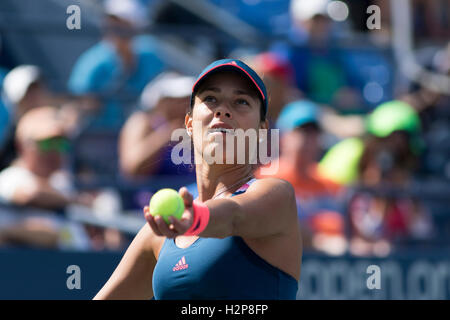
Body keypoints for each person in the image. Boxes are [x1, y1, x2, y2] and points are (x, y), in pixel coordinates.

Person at [95, 59, 302, 300]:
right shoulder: (158, 234)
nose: (223, 110)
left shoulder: (277, 194)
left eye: (241, 102)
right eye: (211, 99)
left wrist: (197, 219)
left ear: (262, 130)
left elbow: (233, 215)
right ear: (189, 124)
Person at [256, 99, 345, 255]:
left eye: (313, 133)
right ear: (284, 138)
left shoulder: (329, 183)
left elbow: (340, 226)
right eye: (301, 131)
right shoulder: (265, 179)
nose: (307, 140)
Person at [67, 0, 165, 129]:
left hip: (139, 134)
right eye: (112, 22)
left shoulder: (151, 55)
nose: (115, 28)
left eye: (122, 23)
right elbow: (76, 106)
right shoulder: (92, 63)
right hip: (99, 137)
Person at [119, 71, 196, 178]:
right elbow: (132, 170)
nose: (185, 102)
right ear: (161, 102)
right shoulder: (142, 122)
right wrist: (166, 136)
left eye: (187, 98)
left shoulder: (194, 126)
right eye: (177, 98)